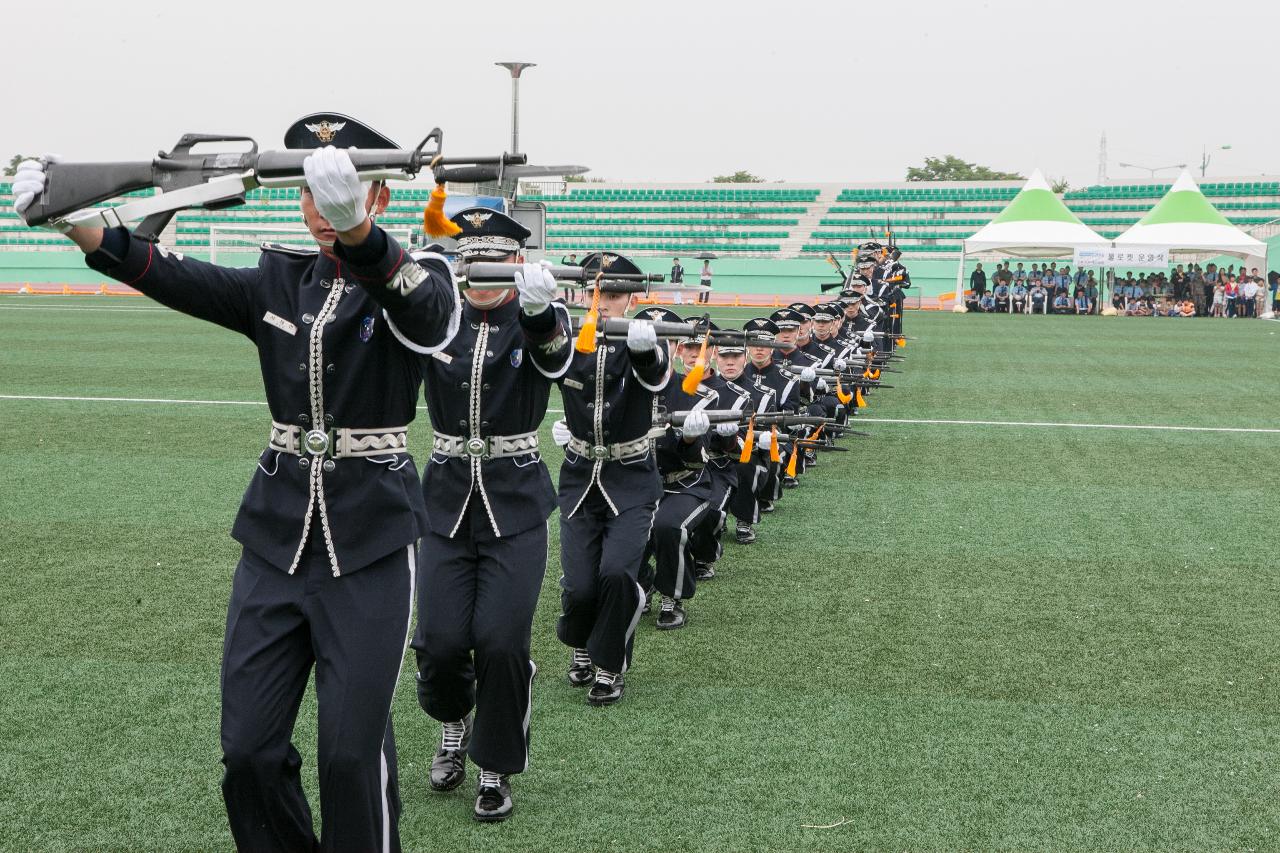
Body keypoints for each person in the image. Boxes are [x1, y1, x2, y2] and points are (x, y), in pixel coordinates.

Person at [12, 115, 460, 851]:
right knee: (248, 749)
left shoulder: (420, 271)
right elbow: (174, 275)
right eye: (310, 193)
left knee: (352, 753)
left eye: (339, 193)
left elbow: (429, 315)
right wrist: (76, 224)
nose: (321, 208)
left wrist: (362, 238)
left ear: (378, 194)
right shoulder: (278, 279)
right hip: (276, 539)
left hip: (372, 543)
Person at [410, 208, 571, 822]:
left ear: (514, 262)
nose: (482, 275)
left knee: (501, 642)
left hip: (516, 504)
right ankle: (453, 722)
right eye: (472, 259)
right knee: (442, 641)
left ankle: (495, 764)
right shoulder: (438, 320)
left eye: (494, 260)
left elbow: (555, 361)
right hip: (445, 502)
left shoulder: (534, 314)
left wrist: (539, 312)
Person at [554, 252, 669, 707]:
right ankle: (581, 641)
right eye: (595, 292)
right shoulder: (570, 340)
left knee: (618, 573)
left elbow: (657, 377)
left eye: (614, 295)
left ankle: (609, 663)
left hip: (632, 476)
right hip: (580, 473)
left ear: (630, 299)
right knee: (580, 583)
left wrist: (647, 352)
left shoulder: (642, 337)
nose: (603, 303)